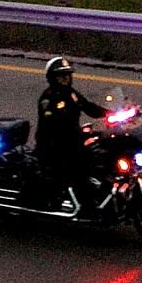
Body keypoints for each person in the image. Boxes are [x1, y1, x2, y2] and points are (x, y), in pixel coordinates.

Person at [34, 56, 105, 189]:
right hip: (54, 145)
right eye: (61, 75)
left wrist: (111, 112)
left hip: (71, 139)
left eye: (68, 74)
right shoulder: (48, 97)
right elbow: (52, 120)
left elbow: (88, 107)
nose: (66, 78)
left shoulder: (71, 93)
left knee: (99, 150)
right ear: (53, 78)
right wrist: (63, 116)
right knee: (79, 169)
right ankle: (82, 198)